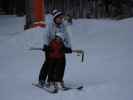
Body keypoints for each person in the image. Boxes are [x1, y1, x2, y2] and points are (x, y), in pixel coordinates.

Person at [38, 10, 72, 90]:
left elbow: (67, 37)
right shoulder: (50, 25)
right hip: (50, 48)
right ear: (55, 18)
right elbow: (45, 36)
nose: (60, 19)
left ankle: (58, 80)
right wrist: (46, 45)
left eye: (61, 18)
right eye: (59, 18)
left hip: (60, 49)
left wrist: (68, 47)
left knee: (62, 63)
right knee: (49, 64)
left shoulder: (63, 26)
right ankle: (43, 80)